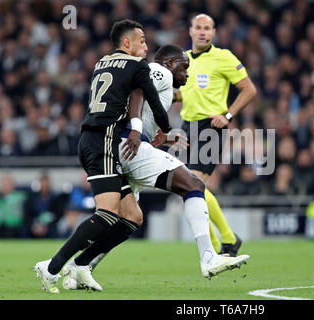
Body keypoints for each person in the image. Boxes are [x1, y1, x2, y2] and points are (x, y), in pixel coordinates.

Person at [61, 45, 249, 291]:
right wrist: (138, 130)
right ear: (170, 62)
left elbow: (137, 100)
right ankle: (208, 256)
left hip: (122, 146)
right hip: (130, 145)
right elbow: (138, 91)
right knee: (193, 184)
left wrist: (159, 136)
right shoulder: (160, 71)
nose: (187, 74)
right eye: (185, 67)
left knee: (128, 218)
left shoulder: (161, 80)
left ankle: (80, 268)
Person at [34, 19, 173, 294]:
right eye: (142, 40)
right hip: (104, 142)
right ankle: (52, 266)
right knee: (108, 213)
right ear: (127, 43)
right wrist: (167, 131)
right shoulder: (137, 65)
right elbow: (154, 103)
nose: (146, 46)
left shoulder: (102, 62)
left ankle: (83, 265)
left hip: (90, 138)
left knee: (132, 216)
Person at [174, 14, 257, 256]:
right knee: (189, 189)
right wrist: (167, 95)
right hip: (188, 126)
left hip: (211, 127)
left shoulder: (224, 57)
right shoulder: (184, 60)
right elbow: (184, 94)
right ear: (190, 31)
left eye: (207, 28)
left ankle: (225, 241)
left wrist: (229, 115)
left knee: (193, 186)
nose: (202, 32)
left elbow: (249, 89)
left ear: (214, 32)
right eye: (198, 28)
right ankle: (225, 243)